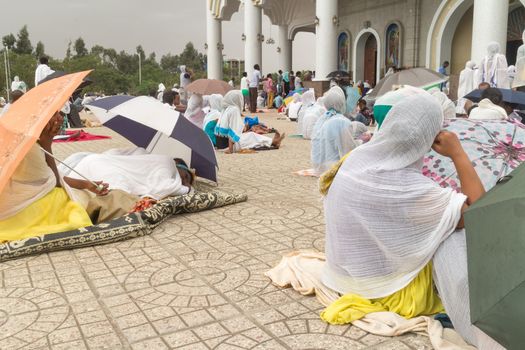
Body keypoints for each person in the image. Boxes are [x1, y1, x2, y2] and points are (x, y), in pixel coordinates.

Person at [321, 92, 503, 349]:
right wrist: (458, 154)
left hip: (346, 275)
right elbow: (478, 215)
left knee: (442, 217)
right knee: (451, 233)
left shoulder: (360, 158)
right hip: (384, 290)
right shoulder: (404, 185)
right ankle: (472, 306)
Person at [0, 107, 98, 241]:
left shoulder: (26, 138)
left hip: (18, 201)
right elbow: (54, 182)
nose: (60, 118)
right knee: (65, 200)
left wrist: (87, 184)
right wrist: (47, 144)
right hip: (22, 210)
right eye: (54, 114)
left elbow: (54, 176)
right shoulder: (28, 148)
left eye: (59, 114)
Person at [66, 147, 194, 200]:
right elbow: (166, 187)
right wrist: (187, 188)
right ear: (177, 163)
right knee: (121, 198)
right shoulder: (166, 164)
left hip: (94, 161)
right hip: (104, 169)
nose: (183, 180)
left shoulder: (143, 154)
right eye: (186, 176)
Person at [311, 86, 363, 175]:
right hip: (333, 168)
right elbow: (348, 149)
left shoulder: (322, 119)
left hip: (318, 166)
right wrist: (361, 143)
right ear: (342, 102)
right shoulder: (342, 121)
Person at [215, 90, 284, 153]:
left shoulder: (225, 110)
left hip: (220, 145)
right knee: (252, 136)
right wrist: (230, 150)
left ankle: (271, 141)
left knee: (249, 136)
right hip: (228, 145)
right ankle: (273, 142)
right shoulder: (234, 109)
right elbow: (233, 131)